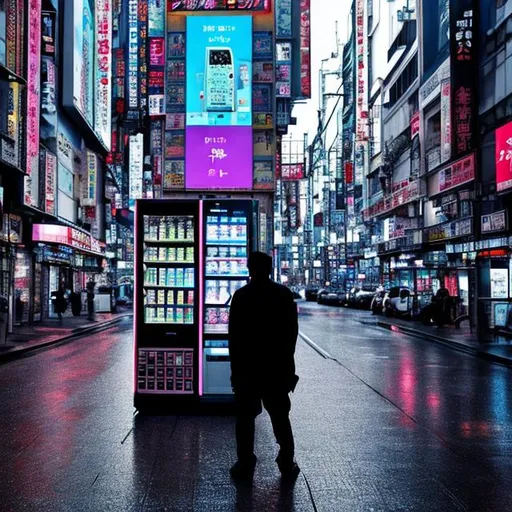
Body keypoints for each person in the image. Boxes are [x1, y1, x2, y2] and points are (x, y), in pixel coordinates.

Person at [228, 251, 300, 482]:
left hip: (248, 368)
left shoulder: (241, 296)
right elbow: (291, 335)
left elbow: (234, 338)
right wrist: (288, 367)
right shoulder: (283, 295)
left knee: (245, 419)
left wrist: (235, 370)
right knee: (280, 417)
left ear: (249, 269)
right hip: (276, 368)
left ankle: (245, 463)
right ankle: (286, 462)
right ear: (270, 269)